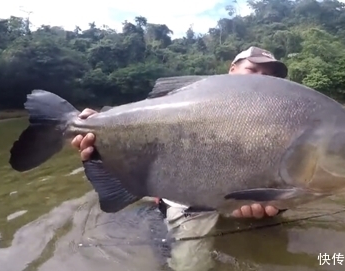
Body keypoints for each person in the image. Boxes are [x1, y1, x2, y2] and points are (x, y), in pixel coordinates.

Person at [72, 46, 289, 270]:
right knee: (191, 265)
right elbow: (140, 122)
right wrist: (97, 128)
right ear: (232, 70)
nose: (263, 80)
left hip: (242, 200)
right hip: (190, 205)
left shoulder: (282, 119)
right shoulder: (194, 99)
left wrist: (279, 205)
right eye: (253, 70)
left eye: (269, 76)